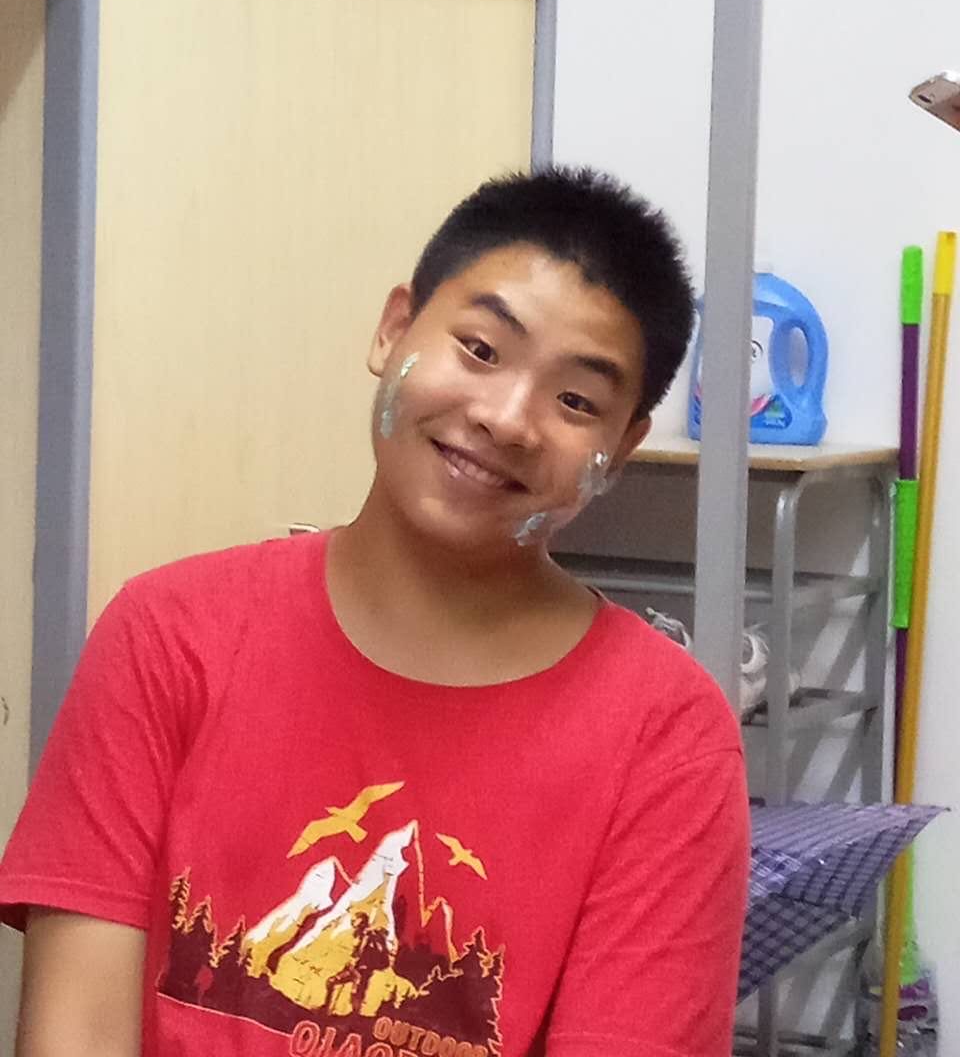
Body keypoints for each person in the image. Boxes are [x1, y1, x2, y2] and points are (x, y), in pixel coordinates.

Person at [1, 167, 749, 1057]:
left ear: (619, 449)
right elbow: (76, 1029)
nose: (508, 418)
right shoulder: (169, 635)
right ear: (394, 328)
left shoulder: (665, 735)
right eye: (481, 349)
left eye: (576, 401)